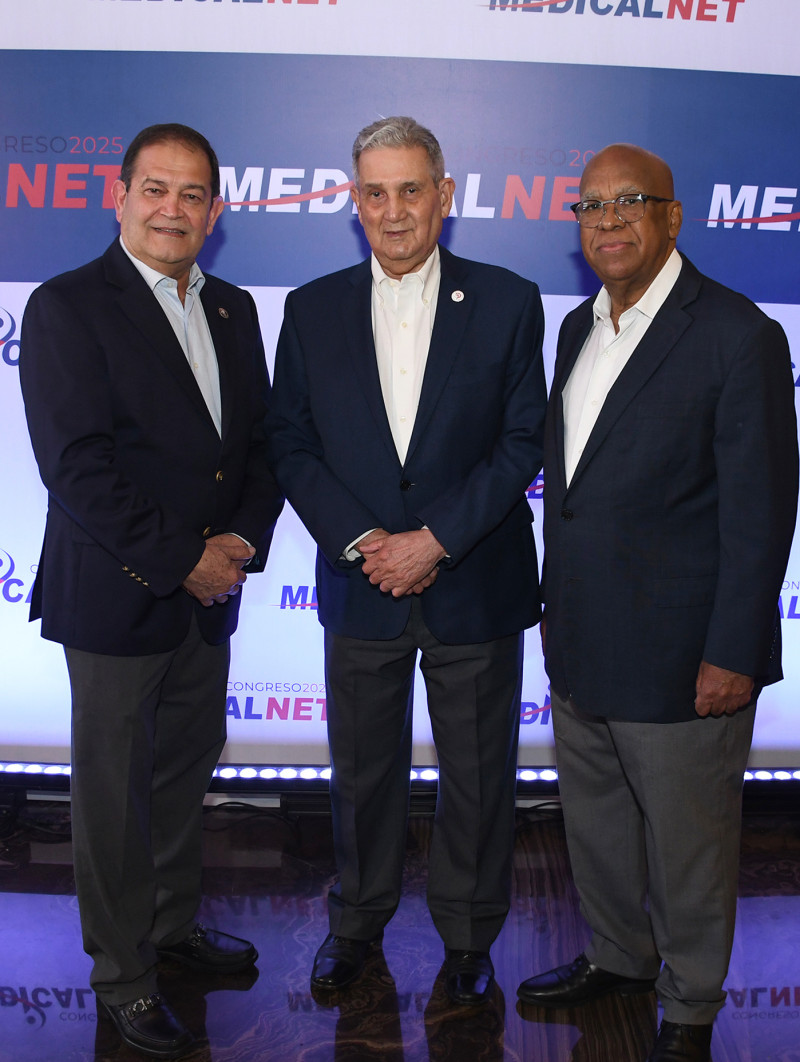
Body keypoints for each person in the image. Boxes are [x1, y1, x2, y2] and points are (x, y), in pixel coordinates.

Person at [516, 144, 798, 1062]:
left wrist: (735, 650)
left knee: (688, 848)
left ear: (673, 217)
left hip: (686, 658)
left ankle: (691, 1002)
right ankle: (620, 957)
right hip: (583, 640)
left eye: (629, 202)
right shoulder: (577, 328)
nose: (608, 221)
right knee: (597, 827)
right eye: (591, 206)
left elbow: (761, 513)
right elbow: (574, 490)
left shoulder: (738, 335)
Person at [267, 116, 546, 1005]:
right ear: (355, 203)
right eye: (376, 193)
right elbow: (291, 444)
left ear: (444, 195)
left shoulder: (508, 300)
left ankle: (469, 940)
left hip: (475, 580)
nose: (394, 211)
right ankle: (356, 924)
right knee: (360, 773)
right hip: (362, 585)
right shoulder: (310, 308)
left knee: (480, 775)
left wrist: (435, 539)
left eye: (411, 190)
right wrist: (364, 543)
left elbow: (522, 440)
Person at [19, 123, 283, 1059]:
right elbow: (77, 468)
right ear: (120, 196)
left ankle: (169, 929)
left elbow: (260, 447)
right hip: (117, 596)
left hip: (209, 599)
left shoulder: (234, 309)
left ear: (215, 211)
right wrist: (183, 559)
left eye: (192, 194)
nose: (173, 209)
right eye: (155, 189)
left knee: (181, 776)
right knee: (114, 800)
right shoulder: (66, 305)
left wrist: (239, 543)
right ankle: (124, 976)